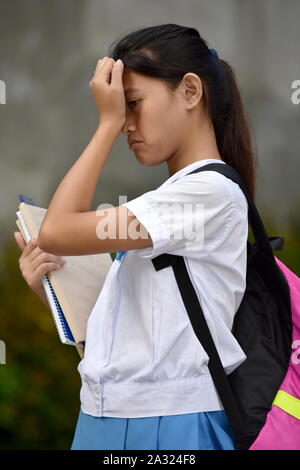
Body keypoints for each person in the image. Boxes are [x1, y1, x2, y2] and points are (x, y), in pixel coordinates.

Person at [15, 23, 257, 450]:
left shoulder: (209, 194)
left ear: (190, 91)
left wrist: (105, 124)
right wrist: (52, 287)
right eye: (120, 109)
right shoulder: (168, 201)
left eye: (132, 104)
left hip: (173, 424)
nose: (126, 123)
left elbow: (56, 229)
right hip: (103, 416)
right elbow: (124, 342)